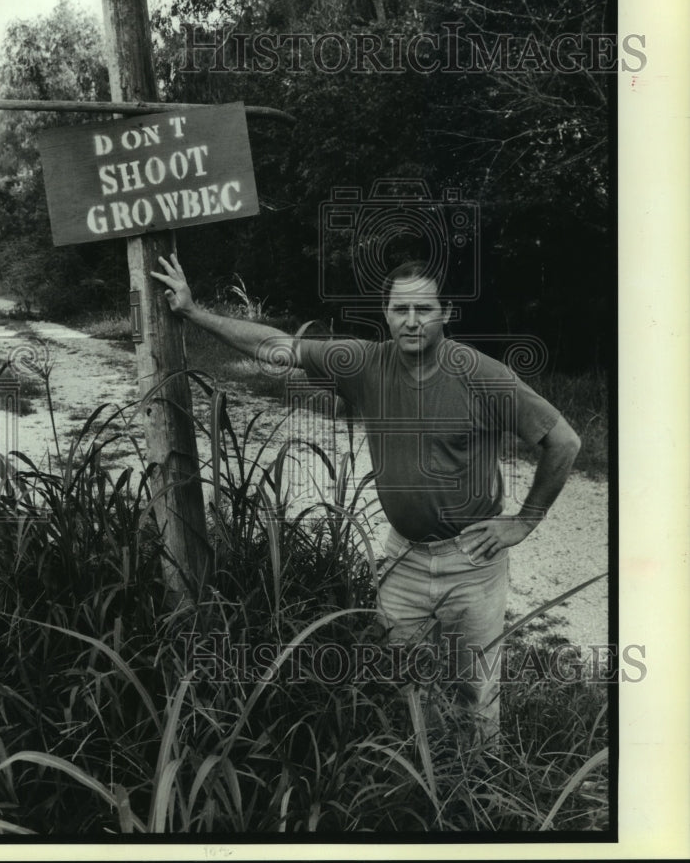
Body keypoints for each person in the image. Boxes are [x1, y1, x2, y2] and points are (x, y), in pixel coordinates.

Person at [151, 253, 581, 743]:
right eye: (401, 309)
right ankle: (418, 783)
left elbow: (563, 441)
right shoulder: (365, 362)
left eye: (425, 309)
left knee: (475, 694)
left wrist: (525, 521)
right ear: (386, 312)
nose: (412, 320)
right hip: (403, 558)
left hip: (472, 562)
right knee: (399, 686)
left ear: (446, 313)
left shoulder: (483, 376)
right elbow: (278, 348)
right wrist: (191, 311)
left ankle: (477, 790)